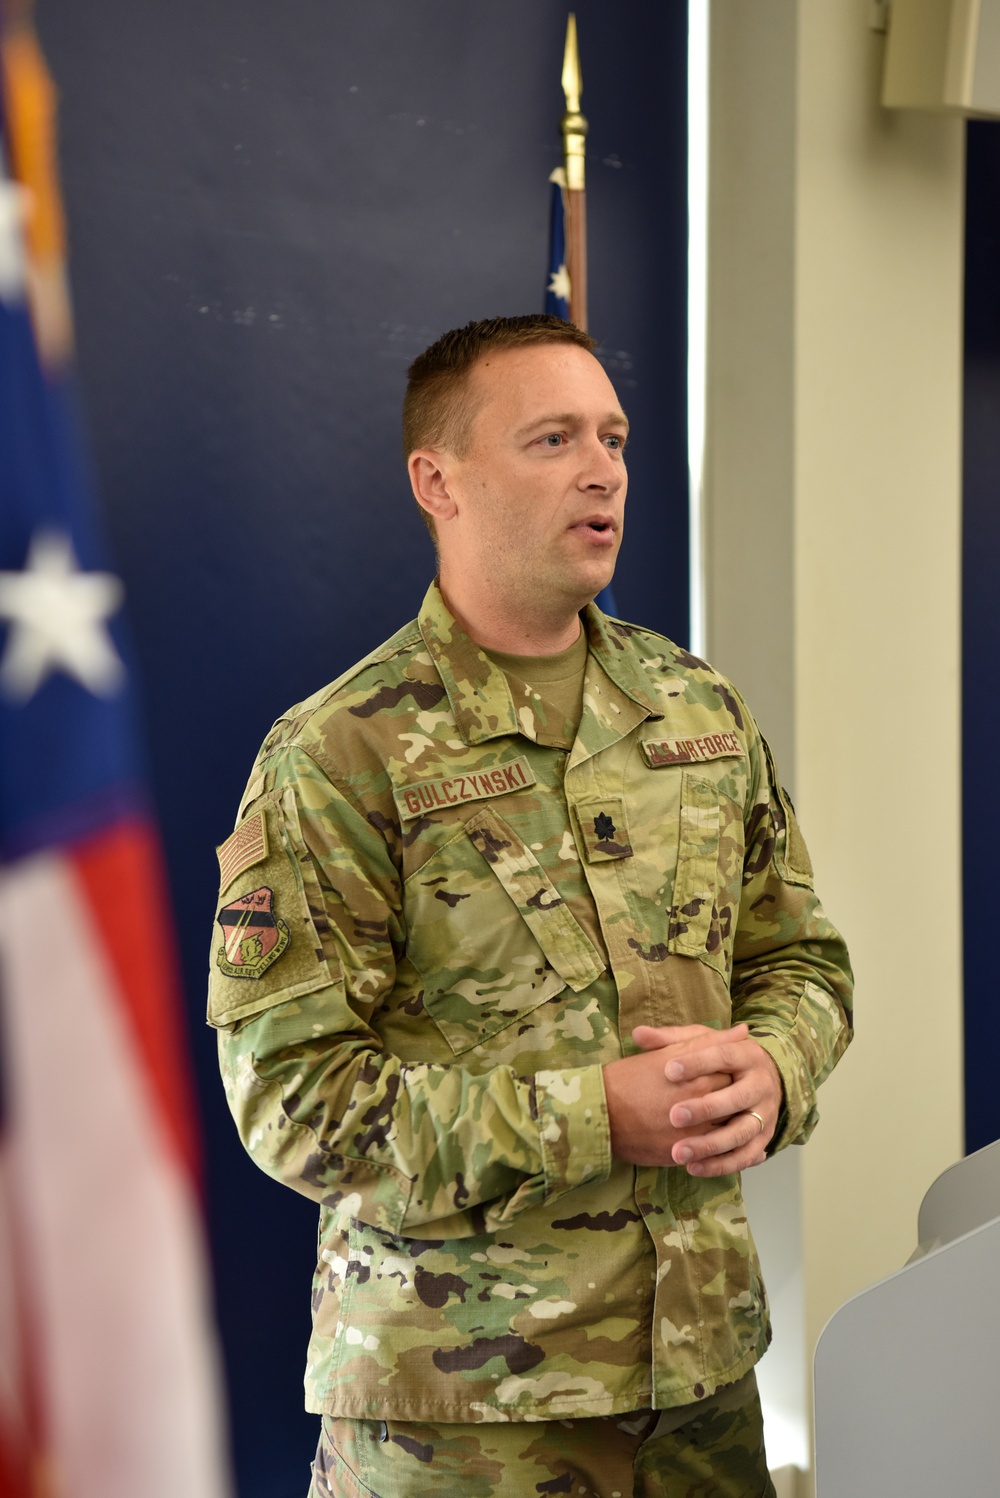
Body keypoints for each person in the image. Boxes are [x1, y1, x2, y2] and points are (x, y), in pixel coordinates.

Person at [208, 315, 853, 1498]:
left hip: (702, 1384)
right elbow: (295, 1101)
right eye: (551, 438)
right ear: (437, 480)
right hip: (463, 1419)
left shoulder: (695, 710)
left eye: (611, 436)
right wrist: (595, 1114)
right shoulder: (339, 753)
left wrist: (775, 1064)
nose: (601, 468)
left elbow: (801, 959)